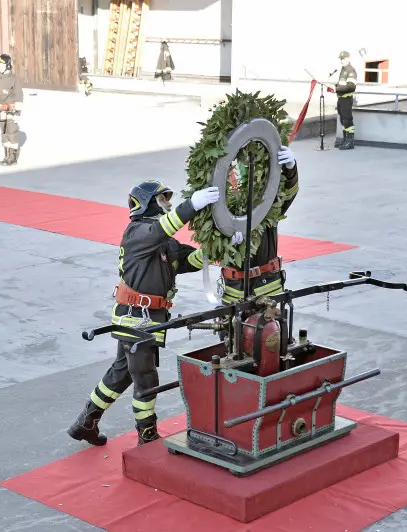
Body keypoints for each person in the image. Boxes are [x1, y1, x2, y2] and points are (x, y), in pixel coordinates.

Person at [67, 182, 221, 446]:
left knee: (123, 372)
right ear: (148, 202)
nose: (168, 204)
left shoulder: (162, 241)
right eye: (162, 200)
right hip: (136, 317)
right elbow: (162, 228)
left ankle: (86, 422)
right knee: (146, 377)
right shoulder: (139, 232)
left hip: (147, 317)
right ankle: (146, 435)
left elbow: (188, 261)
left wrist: (218, 247)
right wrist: (191, 206)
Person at [220, 146, 299, 304]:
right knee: (231, 328)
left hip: (268, 284)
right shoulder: (221, 185)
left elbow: (287, 196)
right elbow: (210, 227)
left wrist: (291, 170)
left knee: (269, 328)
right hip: (235, 289)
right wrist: (225, 239)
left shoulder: (268, 200)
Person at [0, 54, 23, 166]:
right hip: (2, 112)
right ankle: (6, 155)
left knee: (12, 133)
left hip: (11, 111)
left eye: (1, 65)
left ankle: (13, 157)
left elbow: (19, 96)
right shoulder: (1, 80)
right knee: (4, 134)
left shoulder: (14, 80)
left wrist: (17, 113)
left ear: (7, 65)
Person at [335, 51, 357, 150]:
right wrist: (335, 86)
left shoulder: (350, 70)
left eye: (343, 58)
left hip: (346, 99)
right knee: (343, 119)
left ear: (348, 58)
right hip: (341, 98)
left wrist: (337, 88)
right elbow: (342, 84)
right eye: (341, 59)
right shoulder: (343, 70)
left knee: (348, 120)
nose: (342, 61)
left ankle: (350, 141)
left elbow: (351, 87)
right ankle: (345, 139)